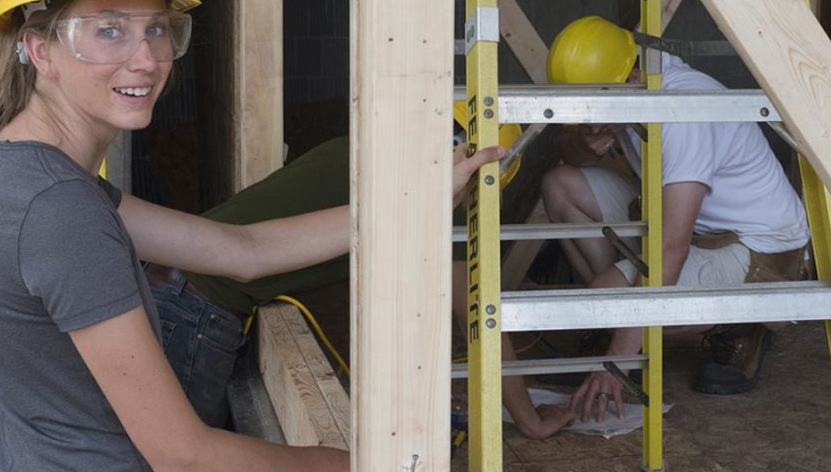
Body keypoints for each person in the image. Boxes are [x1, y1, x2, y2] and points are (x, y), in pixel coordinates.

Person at [0, 0, 500, 472]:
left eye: (159, 27)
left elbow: (243, 249)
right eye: (109, 28)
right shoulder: (56, 210)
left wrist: (416, 201)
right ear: (40, 47)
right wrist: (355, 464)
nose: (147, 57)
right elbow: (183, 454)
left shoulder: (16, 175)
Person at [158, 130, 575, 440]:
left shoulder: (353, 149)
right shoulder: (432, 197)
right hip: (197, 309)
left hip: (169, 285)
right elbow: (479, 315)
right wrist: (530, 421)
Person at [540, 16, 811, 422]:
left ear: (633, 75)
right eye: (584, 109)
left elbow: (671, 248)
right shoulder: (629, 84)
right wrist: (584, 139)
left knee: (608, 302)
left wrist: (614, 362)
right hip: (694, 223)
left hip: (758, 248)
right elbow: (575, 158)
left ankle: (743, 327)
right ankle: (629, 327)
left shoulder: (684, 109)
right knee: (560, 184)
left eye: (601, 105)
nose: (594, 121)